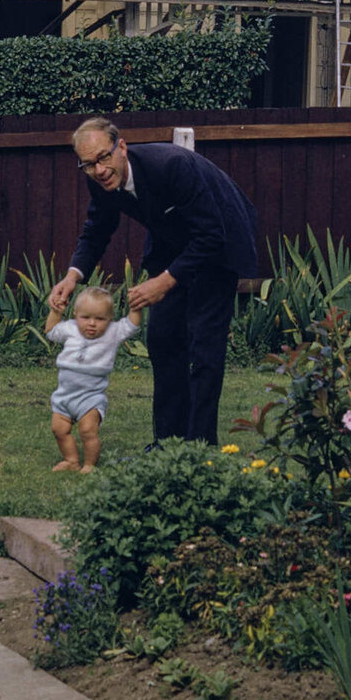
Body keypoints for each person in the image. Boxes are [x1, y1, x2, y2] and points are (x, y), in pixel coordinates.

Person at [48, 117, 258, 446]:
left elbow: (210, 234)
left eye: (104, 157)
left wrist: (164, 281)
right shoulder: (99, 180)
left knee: (204, 347)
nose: (99, 170)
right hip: (172, 244)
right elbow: (97, 229)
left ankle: (199, 448)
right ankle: (167, 445)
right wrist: (73, 276)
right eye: (89, 164)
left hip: (220, 239)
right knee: (163, 339)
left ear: (121, 147)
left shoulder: (171, 166)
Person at [43, 285, 141, 472]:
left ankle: (89, 464)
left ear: (110, 319)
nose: (92, 323)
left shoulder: (113, 332)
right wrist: (55, 311)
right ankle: (71, 461)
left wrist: (136, 307)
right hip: (64, 395)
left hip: (90, 397)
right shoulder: (70, 329)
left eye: (99, 319)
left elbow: (132, 326)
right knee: (58, 430)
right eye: (85, 317)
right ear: (76, 314)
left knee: (88, 431)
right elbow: (51, 331)